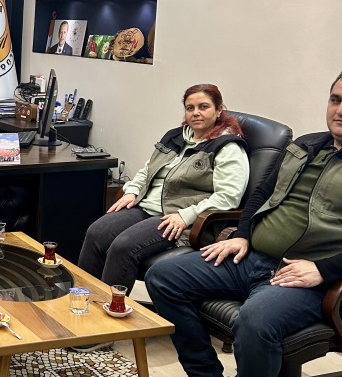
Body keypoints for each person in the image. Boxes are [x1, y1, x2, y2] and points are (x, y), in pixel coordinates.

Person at [146, 66, 342, 377]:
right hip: (255, 258)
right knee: (164, 276)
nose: (341, 109)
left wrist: (322, 269)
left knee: (256, 318)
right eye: (336, 99)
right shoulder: (307, 145)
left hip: (319, 280)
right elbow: (262, 194)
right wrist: (242, 234)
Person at [78, 84, 249, 292]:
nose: (196, 113)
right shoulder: (175, 137)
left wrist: (185, 215)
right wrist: (132, 190)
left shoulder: (227, 147)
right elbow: (148, 169)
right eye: (190, 108)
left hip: (179, 217)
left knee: (124, 246)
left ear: (219, 110)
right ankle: (81, 297)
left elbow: (228, 196)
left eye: (204, 107)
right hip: (146, 206)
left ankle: (108, 307)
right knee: (96, 232)